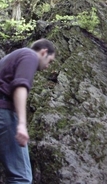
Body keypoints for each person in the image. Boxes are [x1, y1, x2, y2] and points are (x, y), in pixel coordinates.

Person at [0, 38, 56, 183]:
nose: (48, 66)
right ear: (44, 52)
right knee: (21, 177)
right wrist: (21, 124)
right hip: (4, 112)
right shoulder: (30, 55)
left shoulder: (11, 57)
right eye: (50, 61)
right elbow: (20, 86)